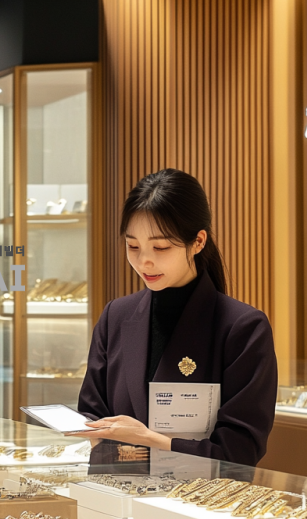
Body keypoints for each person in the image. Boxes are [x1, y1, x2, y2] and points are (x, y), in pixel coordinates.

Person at [78, 168, 277, 466]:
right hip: (114, 489)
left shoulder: (243, 328)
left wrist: (148, 440)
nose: (144, 261)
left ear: (198, 241)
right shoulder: (115, 316)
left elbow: (240, 451)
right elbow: (91, 416)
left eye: (161, 247)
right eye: (133, 246)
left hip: (199, 493)